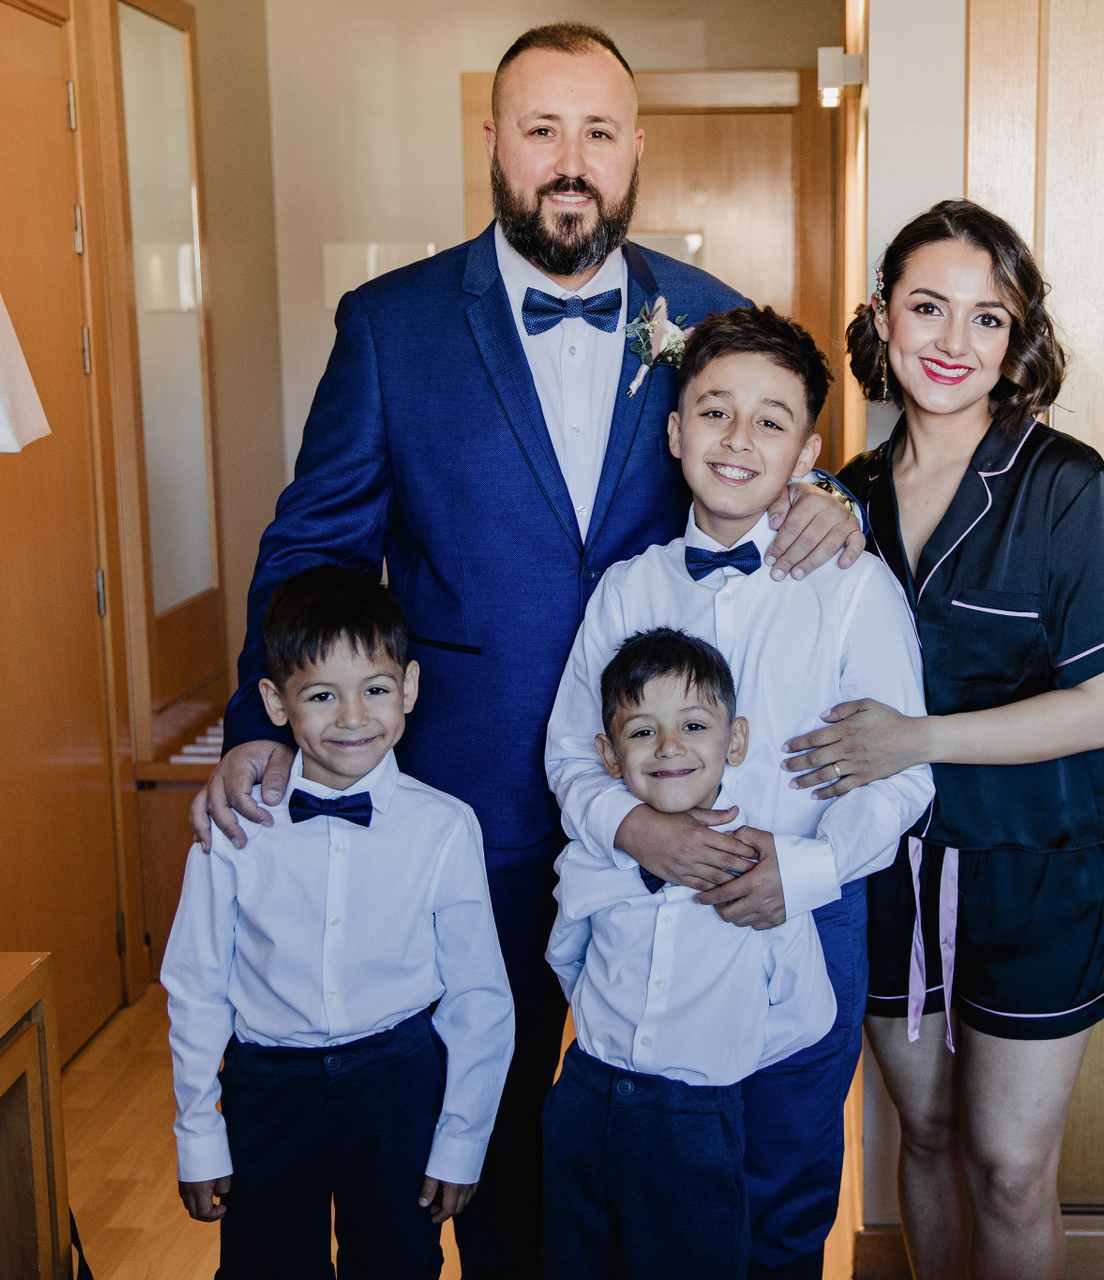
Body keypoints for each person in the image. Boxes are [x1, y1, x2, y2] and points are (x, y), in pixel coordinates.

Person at [187, 24, 863, 1277]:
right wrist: (254, 720)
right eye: (542, 129)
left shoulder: (707, 315)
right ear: (493, 141)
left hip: (673, 792)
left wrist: (838, 502)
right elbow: (313, 545)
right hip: (472, 792)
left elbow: (771, 462)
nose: (570, 160)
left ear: (636, 150)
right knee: (478, 1106)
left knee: (666, 1109)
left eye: (597, 132)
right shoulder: (391, 325)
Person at [782, 200, 1104, 1280]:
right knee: (928, 1135)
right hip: (885, 872)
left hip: (1036, 878)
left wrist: (916, 739)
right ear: (882, 320)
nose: (953, 341)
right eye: (928, 308)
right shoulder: (842, 499)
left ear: (1015, 338)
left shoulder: (1067, 487)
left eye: (987, 318)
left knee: (1009, 1168)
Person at [546, 306, 935, 1277]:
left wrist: (803, 869)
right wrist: (635, 829)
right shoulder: (629, 590)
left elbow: (902, 775)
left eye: (771, 420)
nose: (738, 439)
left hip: (805, 915)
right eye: (715, 412)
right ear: (676, 431)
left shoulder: (855, 588)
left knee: (781, 1199)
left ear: (808, 452)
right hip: (647, 926)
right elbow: (570, 753)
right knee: (642, 1203)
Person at [162, 566, 514, 1279]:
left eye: (375, 689)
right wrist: (198, 1134)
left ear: (409, 688)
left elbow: (479, 997)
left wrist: (461, 1140)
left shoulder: (445, 827)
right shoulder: (235, 827)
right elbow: (196, 985)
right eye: (322, 695)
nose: (353, 717)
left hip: (397, 1084)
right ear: (276, 702)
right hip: (268, 1089)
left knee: (396, 1264)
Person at [543, 627, 836, 1279]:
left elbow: (806, 1011)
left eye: (694, 726)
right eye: (642, 731)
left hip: (697, 1118)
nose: (669, 747)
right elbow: (568, 957)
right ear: (609, 755)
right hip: (584, 1100)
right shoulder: (590, 860)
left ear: (735, 741)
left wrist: (721, 1059)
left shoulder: (763, 875)